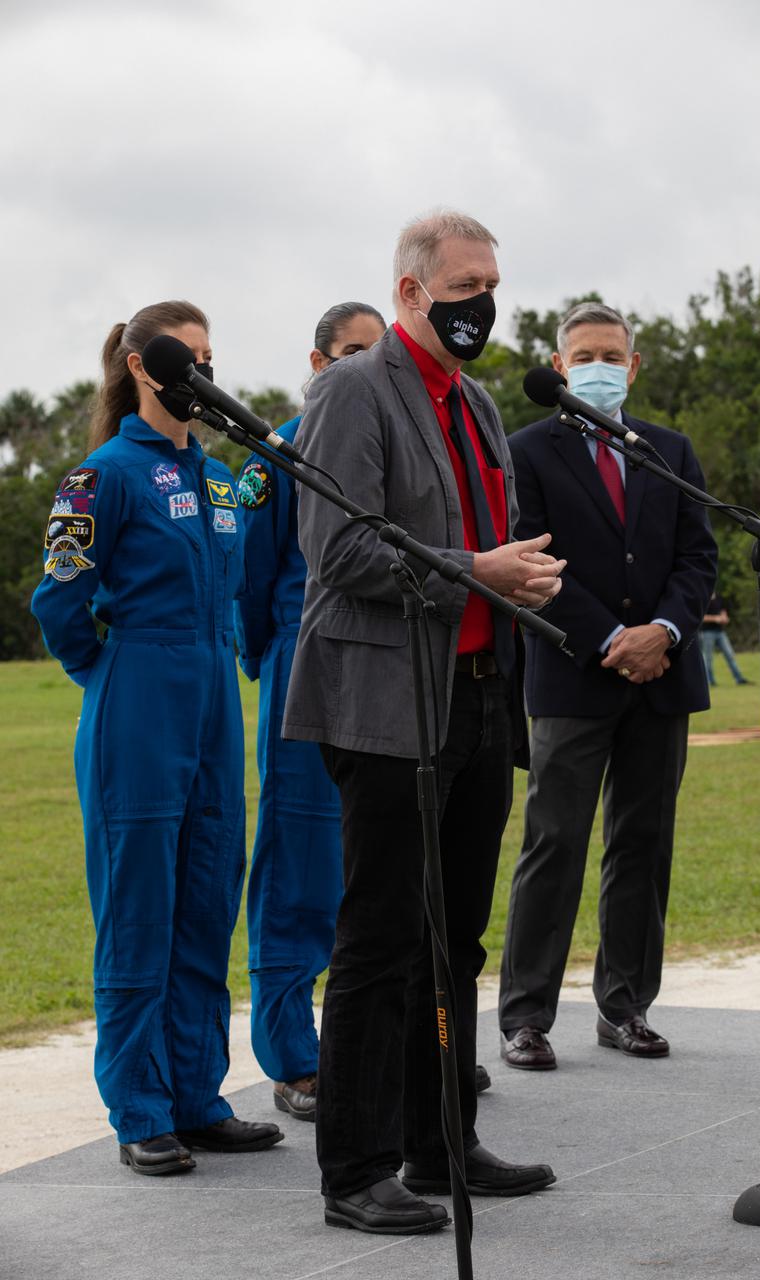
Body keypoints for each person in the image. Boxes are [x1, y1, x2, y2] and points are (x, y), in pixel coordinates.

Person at [283, 210, 564, 1234]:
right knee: (381, 936)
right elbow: (339, 551)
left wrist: (516, 572)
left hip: (480, 691)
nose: (480, 304)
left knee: (454, 940)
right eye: (461, 286)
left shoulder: (479, 399)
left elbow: (478, 538)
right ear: (409, 293)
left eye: (491, 283)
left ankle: (439, 1139)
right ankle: (354, 1168)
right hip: (387, 702)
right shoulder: (352, 391)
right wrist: (473, 574)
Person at [31, 301, 282, 1176]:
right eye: (186, 359)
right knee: (140, 908)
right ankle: (138, 1105)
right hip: (137, 697)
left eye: (211, 359)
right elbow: (59, 602)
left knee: (209, 897)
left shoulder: (218, 479)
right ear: (141, 366)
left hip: (215, 696)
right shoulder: (101, 478)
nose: (201, 375)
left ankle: (196, 1096)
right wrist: (108, 674)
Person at [498, 302, 717, 1070]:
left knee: (641, 842)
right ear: (559, 366)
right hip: (569, 676)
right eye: (583, 353)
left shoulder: (669, 450)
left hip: (661, 676)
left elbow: (698, 557)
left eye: (611, 355)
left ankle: (626, 1007)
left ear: (633, 366)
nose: (598, 366)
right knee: (553, 843)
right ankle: (525, 1016)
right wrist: (610, 638)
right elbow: (530, 560)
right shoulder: (525, 451)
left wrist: (663, 631)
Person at [234, 302, 387, 1123]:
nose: (366, 367)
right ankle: (295, 1058)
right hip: (305, 656)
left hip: (391, 664)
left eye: (378, 353)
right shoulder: (278, 452)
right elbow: (250, 578)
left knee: (386, 862)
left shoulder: (396, 437)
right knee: (297, 867)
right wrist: (272, 657)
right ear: (319, 361)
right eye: (351, 353)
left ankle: (390, 1045)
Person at [701, 590, 749, 685]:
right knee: (708, 658)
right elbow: (700, 617)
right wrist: (715, 619)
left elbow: (723, 610)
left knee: (730, 655)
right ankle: (709, 681)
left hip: (720, 632)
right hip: (707, 633)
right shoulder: (702, 597)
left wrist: (724, 617)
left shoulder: (719, 597)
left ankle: (739, 679)